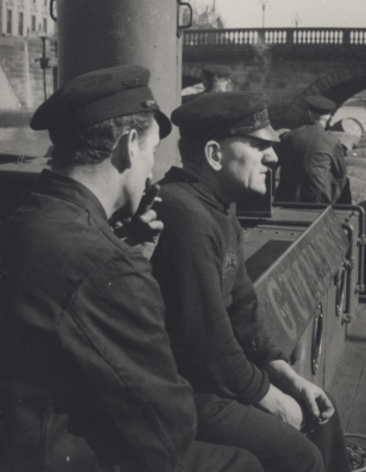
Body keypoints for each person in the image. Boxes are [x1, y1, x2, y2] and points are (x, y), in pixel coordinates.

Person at [0, 65, 262, 472]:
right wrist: (126, 268)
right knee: (246, 464)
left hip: (22, 442)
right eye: (152, 151)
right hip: (63, 458)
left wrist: (132, 256)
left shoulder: (24, 219)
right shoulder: (108, 264)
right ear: (127, 147)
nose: (152, 170)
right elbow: (168, 432)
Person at [151, 91, 352, 472]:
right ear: (214, 154)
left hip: (214, 379)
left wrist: (290, 380)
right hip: (186, 393)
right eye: (259, 147)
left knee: (322, 413)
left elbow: (243, 308)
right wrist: (271, 399)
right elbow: (207, 344)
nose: (273, 158)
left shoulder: (217, 209)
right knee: (301, 457)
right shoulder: (187, 219)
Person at [275, 95, 350, 204]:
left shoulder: (288, 137)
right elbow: (340, 173)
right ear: (329, 117)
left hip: (286, 197)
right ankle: (341, 211)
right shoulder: (333, 142)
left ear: (309, 113)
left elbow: (274, 163)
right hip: (318, 200)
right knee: (344, 180)